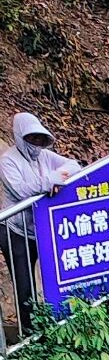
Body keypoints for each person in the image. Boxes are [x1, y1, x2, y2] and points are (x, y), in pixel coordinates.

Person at [0, 114, 79, 333]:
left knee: (55, 276)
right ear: (20, 136)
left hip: (40, 228)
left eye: (39, 139)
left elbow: (73, 165)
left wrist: (57, 175)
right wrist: (50, 182)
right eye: (31, 138)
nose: (36, 144)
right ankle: (29, 332)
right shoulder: (7, 160)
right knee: (24, 284)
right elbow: (21, 190)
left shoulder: (44, 156)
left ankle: (56, 323)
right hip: (14, 230)